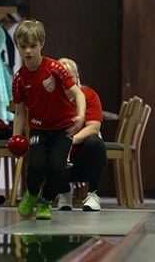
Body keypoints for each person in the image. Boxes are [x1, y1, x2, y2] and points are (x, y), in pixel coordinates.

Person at [11, 20, 86, 220]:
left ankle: (45, 202)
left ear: (42, 44)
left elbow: (78, 94)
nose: (28, 51)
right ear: (17, 46)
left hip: (63, 129)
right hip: (38, 128)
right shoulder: (19, 78)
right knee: (36, 166)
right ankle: (32, 194)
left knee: (57, 167)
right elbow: (20, 112)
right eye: (23, 46)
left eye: (33, 46)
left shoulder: (55, 68)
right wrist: (16, 138)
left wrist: (80, 116)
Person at [57, 58, 107, 211]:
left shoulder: (89, 95)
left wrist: (70, 141)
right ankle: (64, 193)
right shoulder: (52, 100)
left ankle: (93, 194)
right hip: (60, 159)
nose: (66, 82)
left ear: (77, 77)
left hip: (84, 155)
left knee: (95, 143)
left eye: (70, 77)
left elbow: (93, 128)